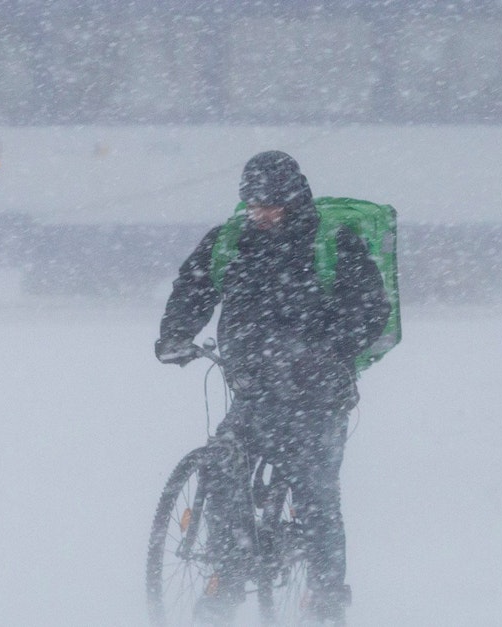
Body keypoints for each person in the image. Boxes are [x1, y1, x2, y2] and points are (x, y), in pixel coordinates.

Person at [156, 151, 390, 625]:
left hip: (316, 397)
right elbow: (193, 286)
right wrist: (175, 335)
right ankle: (227, 575)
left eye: (271, 205)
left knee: (315, 493)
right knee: (223, 463)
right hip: (255, 387)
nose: (261, 214)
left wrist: (325, 351)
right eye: (253, 205)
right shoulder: (230, 242)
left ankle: (326, 602)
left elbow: (369, 309)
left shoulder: (332, 242)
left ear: (294, 200)